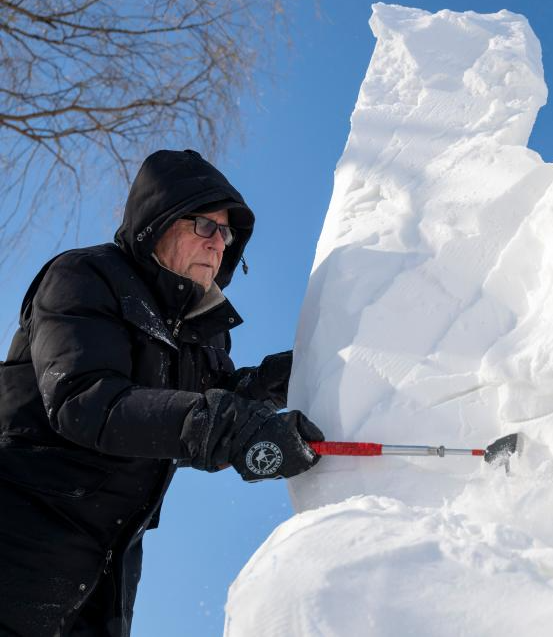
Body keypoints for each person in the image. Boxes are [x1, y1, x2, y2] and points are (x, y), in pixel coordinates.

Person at [0, 149, 324, 636]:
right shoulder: (83, 278)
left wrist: (281, 379)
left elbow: (207, 403)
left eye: (227, 233)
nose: (219, 243)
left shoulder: (202, 333)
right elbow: (86, 401)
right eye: (205, 226)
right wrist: (227, 427)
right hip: (20, 542)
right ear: (159, 222)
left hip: (107, 571)